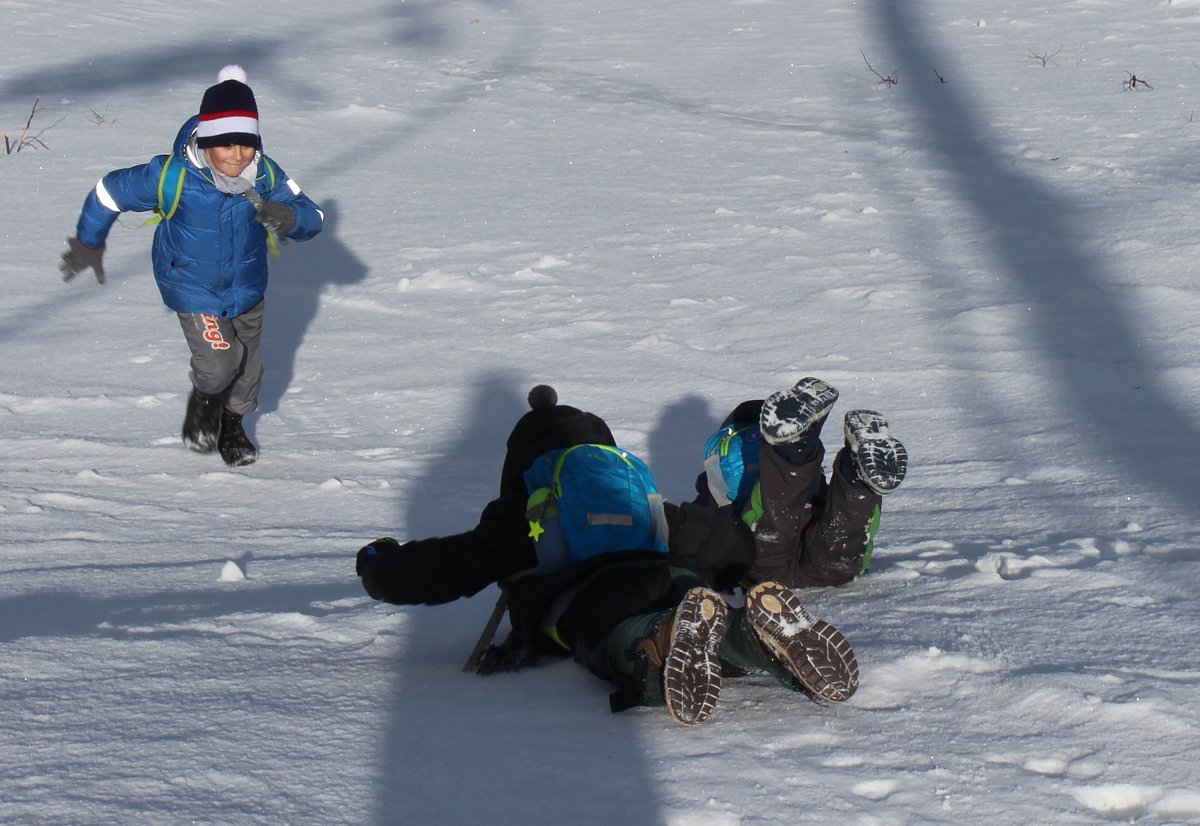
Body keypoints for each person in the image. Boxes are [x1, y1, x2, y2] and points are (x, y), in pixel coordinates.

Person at [355, 379, 907, 723]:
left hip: (586, 594)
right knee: (706, 623)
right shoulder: (635, 493)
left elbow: (445, 567)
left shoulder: (523, 509)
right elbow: (722, 540)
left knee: (624, 637)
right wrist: (737, 563)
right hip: (670, 574)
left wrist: (379, 564)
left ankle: (665, 639)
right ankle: (761, 639)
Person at [59, 65, 324, 466]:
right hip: (192, 285)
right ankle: (205, 401)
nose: (238, 155)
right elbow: (108, 192)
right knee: (220, 363)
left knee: (249, 369)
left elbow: (314, 217)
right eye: (226, 144)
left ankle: (233, 425)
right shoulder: (171, 175)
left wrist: (289, 216)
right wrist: (88, 242)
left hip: (248, 286)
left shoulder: (266, 175)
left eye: (246, 144)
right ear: (206, 140)